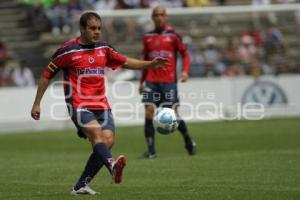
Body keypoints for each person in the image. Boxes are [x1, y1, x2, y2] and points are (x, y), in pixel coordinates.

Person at [30, 11, 168, 195]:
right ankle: (112, 166)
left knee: (108, 141)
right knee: (97, 134)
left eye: (99, 28)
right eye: (92, 28)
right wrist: (37, 103)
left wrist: (150, 64)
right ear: (82, 29)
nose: (97, 32)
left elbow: (126, 62)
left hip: (101, 104)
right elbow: (46, 76)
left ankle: (80, 185)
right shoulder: (67, 51)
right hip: (79, 104)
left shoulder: (104, 49)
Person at [139, 6, 196, 159]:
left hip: (169, 82)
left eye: (162, 15)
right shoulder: (147, 37)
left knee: (172, 115)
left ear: (166, 17)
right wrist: (141, 81)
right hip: (151, 81)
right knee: (149, 111)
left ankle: (188, 140)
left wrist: (185, 71)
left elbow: (185, 55)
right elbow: (145, 62)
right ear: (152, 17)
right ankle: (151, 151)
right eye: (156, 15)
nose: (159, 17)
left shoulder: (173, 35)